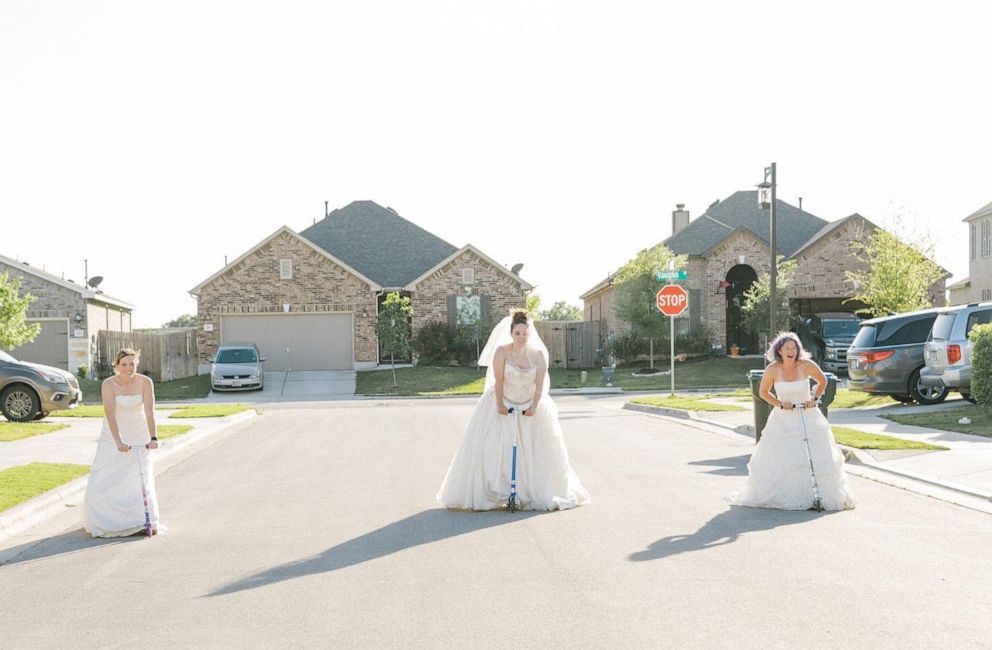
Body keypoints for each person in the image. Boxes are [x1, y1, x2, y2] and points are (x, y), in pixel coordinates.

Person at [437, 310, 590, 511]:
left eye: (524, 334)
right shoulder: (501, 352)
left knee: (536, 450)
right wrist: (499, 404)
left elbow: (539, 386)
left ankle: (529, 492)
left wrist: (534, 407)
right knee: (497, 449)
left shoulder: (538, 356)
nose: (521, 337)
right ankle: (498, 491)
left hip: (529, 405)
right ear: (511, 333)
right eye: (517, 333)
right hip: (504, 403)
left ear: (530, 334)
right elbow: (499, 380)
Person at [729, 332, 857, 511]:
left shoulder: (806, 365)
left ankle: (816, 495)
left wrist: (814, 398)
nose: (791, 351)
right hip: (783, 419)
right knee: (782, 456)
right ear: (779, 350)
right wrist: (780, 404)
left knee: (814, 455)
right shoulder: (773, 369)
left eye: (794, 347)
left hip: (807, 415)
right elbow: (764, 393)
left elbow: (822, 381)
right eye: (786, 348)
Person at [83, 348, 164, 537]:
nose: (128, 368)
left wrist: (153, 437)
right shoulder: (109, 384)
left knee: (139, 477)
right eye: (124, 364)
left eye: (132, 364)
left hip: (139, 431)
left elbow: (150, 412)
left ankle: (142, 521)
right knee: (107, 475)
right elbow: (110, 415)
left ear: (137, 364)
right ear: (117, 366)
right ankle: (108, 521)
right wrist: (118, 441)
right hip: (115, 432)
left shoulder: (145, 382)